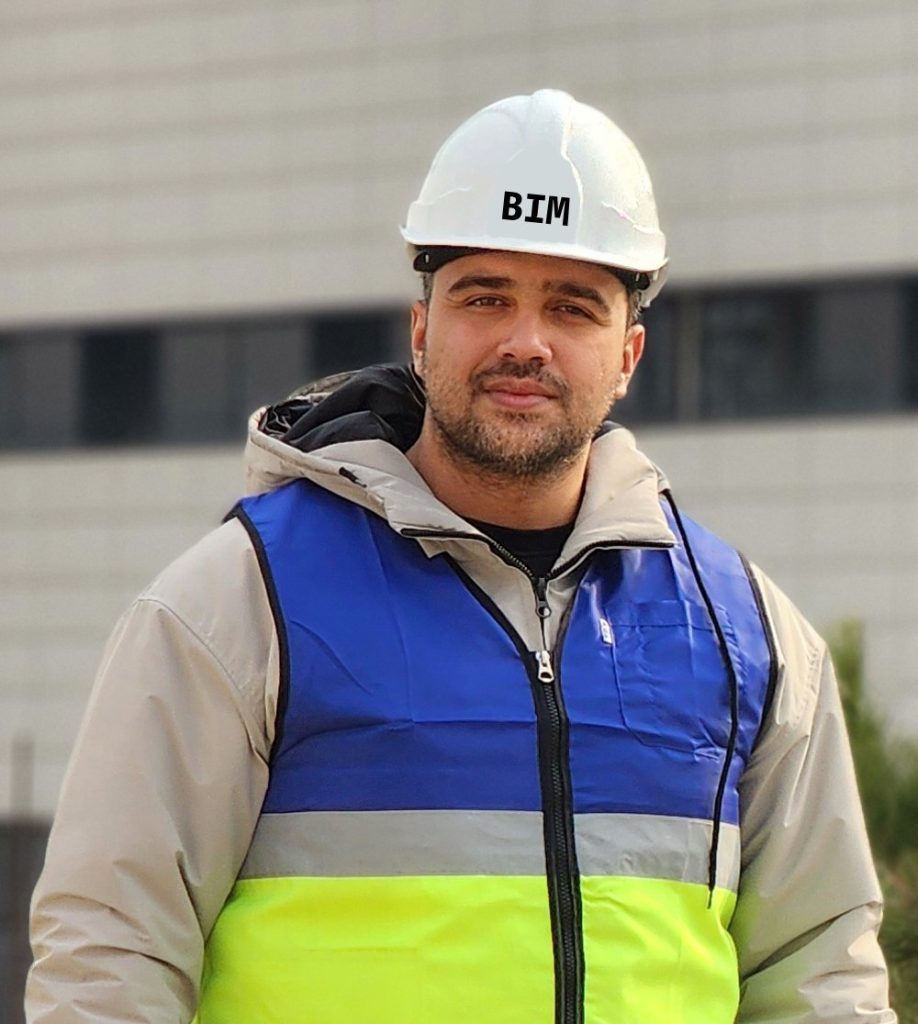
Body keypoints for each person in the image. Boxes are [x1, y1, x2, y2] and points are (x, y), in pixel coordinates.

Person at [26, 89, 895, 1023]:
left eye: (573, 307)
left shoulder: (745, 634)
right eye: (486, 297)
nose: (526, 342)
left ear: (629, 354)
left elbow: (821, 977)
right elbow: (109, 958)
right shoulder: (238, 605)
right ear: (421, 329)